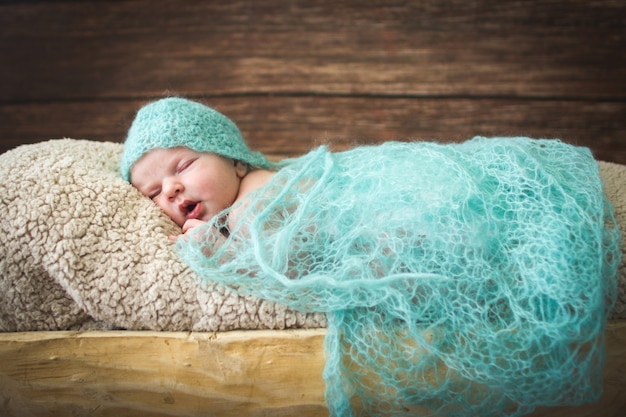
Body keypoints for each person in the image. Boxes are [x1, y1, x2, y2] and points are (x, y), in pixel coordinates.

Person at [120, 97, 620, 417]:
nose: (171, 189)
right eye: (152, 193)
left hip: (411, 216)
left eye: (183, 165)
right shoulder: (238, 194)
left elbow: (274, 257)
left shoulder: (258, 189)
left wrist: (211, 243)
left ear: (231, 156)